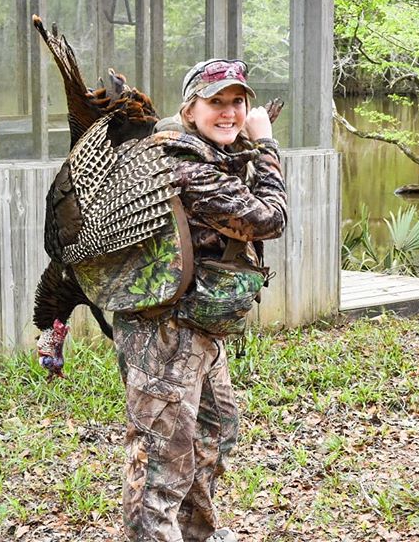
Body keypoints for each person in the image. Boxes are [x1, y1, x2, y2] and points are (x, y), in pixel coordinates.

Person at [112, 58, 288, 542]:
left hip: (200, 330)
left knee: (214, 435)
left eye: (237, 101)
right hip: (163, 335)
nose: (229, 112)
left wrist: (249, 145)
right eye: (216, 102)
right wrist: (268, 145)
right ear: (190, 110)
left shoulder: (211, 156)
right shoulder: (186, 166)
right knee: (160, 461)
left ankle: (196, 534)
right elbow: (267, 219)